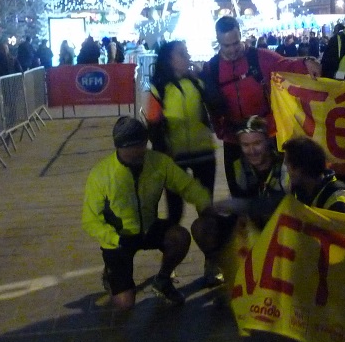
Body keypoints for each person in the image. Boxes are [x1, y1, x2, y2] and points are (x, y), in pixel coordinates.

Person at [82, 117, 213, 309]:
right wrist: (113, 238)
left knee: (180, 237)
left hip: (148, 227)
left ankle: (162, 280)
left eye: (142, 146)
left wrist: (208, 204)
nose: (140, 153)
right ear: (119, 147)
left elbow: (187, 185)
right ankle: (112, 273)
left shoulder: (158, 162)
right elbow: (90, 219)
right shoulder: (101, 174)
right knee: (125, 304)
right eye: (133, 150)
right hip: (118, 238)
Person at [202, 16, 321, 196]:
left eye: (236, 43)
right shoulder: (212, 68)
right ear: (218, 41)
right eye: (226, 46)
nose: (233, 49)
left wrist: (306, 62)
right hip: (234, 140)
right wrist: (221, 130)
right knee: (239, 189)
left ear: (240, 35)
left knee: (278, 189)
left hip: (268, 136)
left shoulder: (260, 57)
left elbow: (285, 65)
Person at [146, 41, 218, 280]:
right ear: (169, 59)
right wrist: (162, 156)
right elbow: (153, 125)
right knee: (174, 212)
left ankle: (212, 263)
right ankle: (170, 261)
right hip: (174, 158)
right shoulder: (158, 88)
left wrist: (203, 79)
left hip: (203, 154)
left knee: (206, 209)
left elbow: (219, 105)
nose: (187, 56)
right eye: (182, 53)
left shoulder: (197, 82)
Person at [192, 116, 291, 259]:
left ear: (268, 141)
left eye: (257, 143)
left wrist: (243, 206)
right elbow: (240, 199)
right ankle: (218, 266)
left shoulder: (285, 165)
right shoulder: (239, 166)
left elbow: (289, 204)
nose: (252, 150)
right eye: (245, 145)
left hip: (282, 226)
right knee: (202, 226)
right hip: (252, 223)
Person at [283, 136, 345, 214]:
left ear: (300, 169)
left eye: (287, 165)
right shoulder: (298, 191)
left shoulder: (337, 200)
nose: (287, 170)